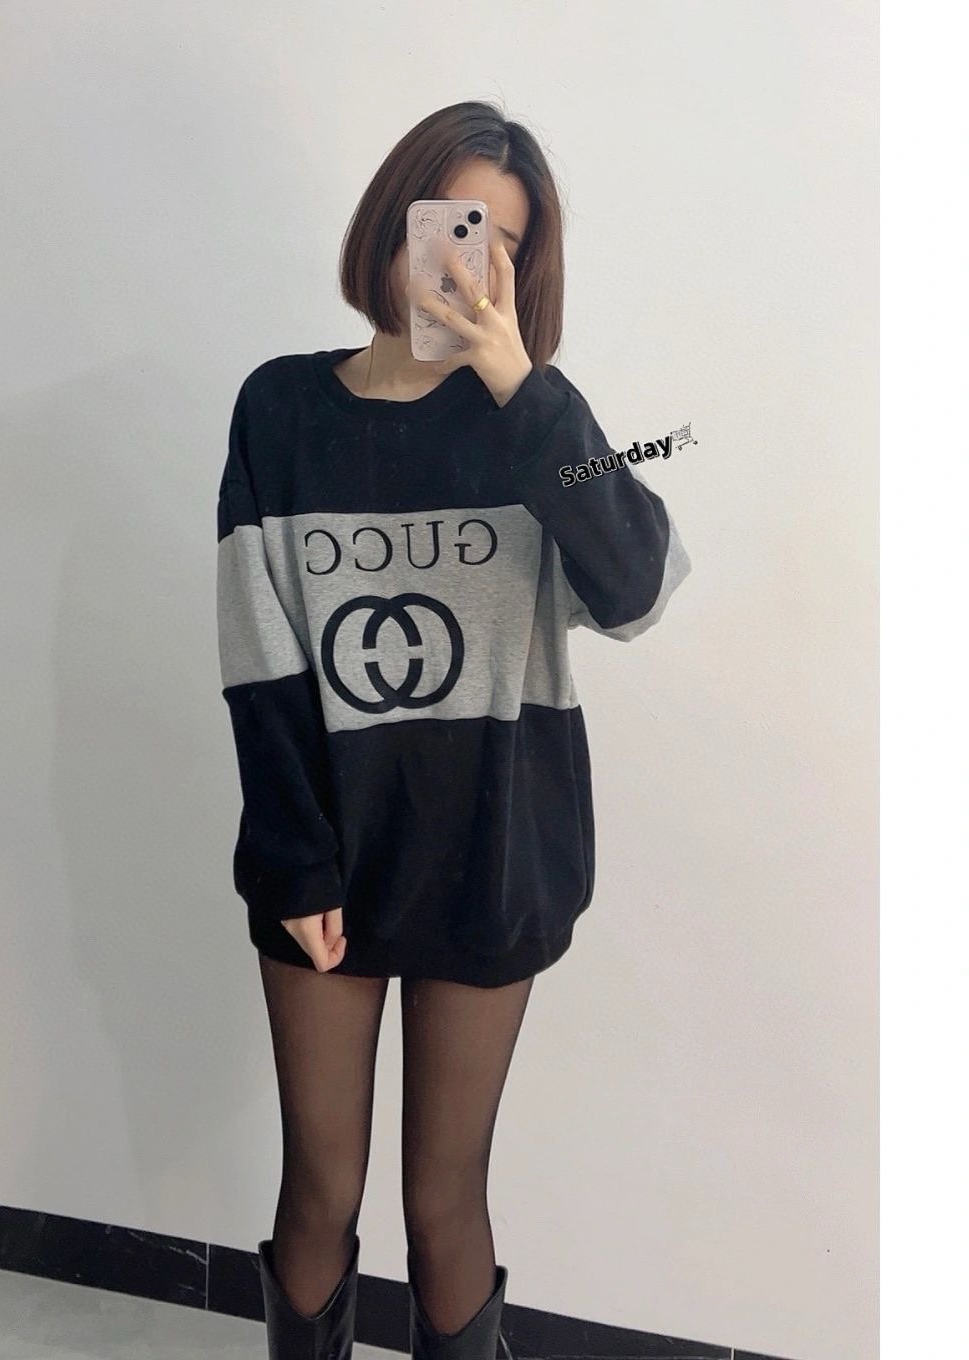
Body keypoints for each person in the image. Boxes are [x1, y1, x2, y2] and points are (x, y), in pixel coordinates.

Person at [215, 100, 693, 1360]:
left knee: (444, 1206)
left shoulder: (538, 427)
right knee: (318, 1193)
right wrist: (295, 861)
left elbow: (638, 586)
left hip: (492, 858)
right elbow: (259, 657)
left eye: (506, 244)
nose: (471, 260)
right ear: (395, 220)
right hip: (327, 859)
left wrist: (524, 388)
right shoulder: (281, 410)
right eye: (454, 221)